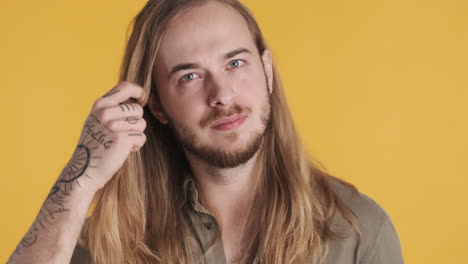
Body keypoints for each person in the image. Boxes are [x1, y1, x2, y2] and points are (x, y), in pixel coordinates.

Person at [7, 0, 404, 263]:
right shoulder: (114, 241)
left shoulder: (357, 232)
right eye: (190, 76)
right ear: (157, 105)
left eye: (235, 63)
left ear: (266, 71)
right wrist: (81, 179)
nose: (222, 95)